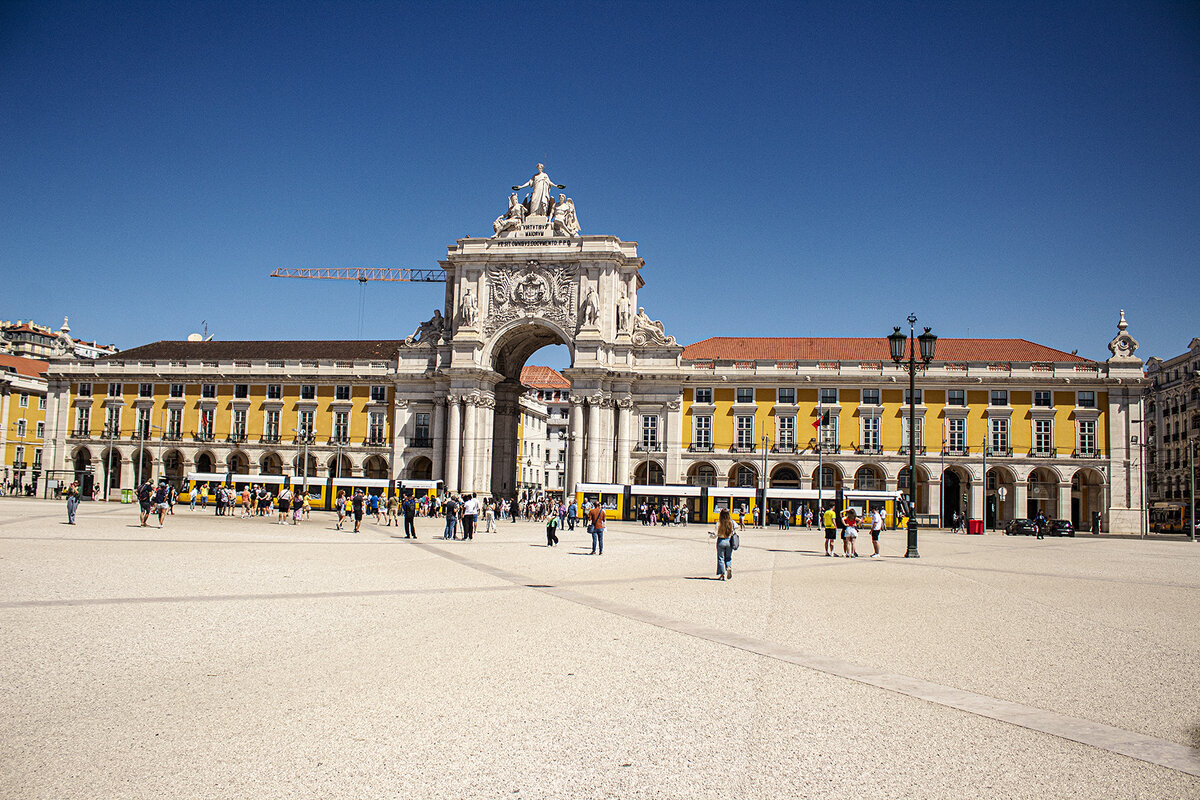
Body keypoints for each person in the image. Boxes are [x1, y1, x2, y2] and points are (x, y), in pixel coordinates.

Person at [713, 508, 735, 580]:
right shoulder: (731, 522)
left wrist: (711, 535)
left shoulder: (718, 523)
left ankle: (722, 574)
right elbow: (737, 526)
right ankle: (728, 567)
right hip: (729, 541)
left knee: (721, 558)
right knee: (728, 557)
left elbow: (715, 534)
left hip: (721, 541)